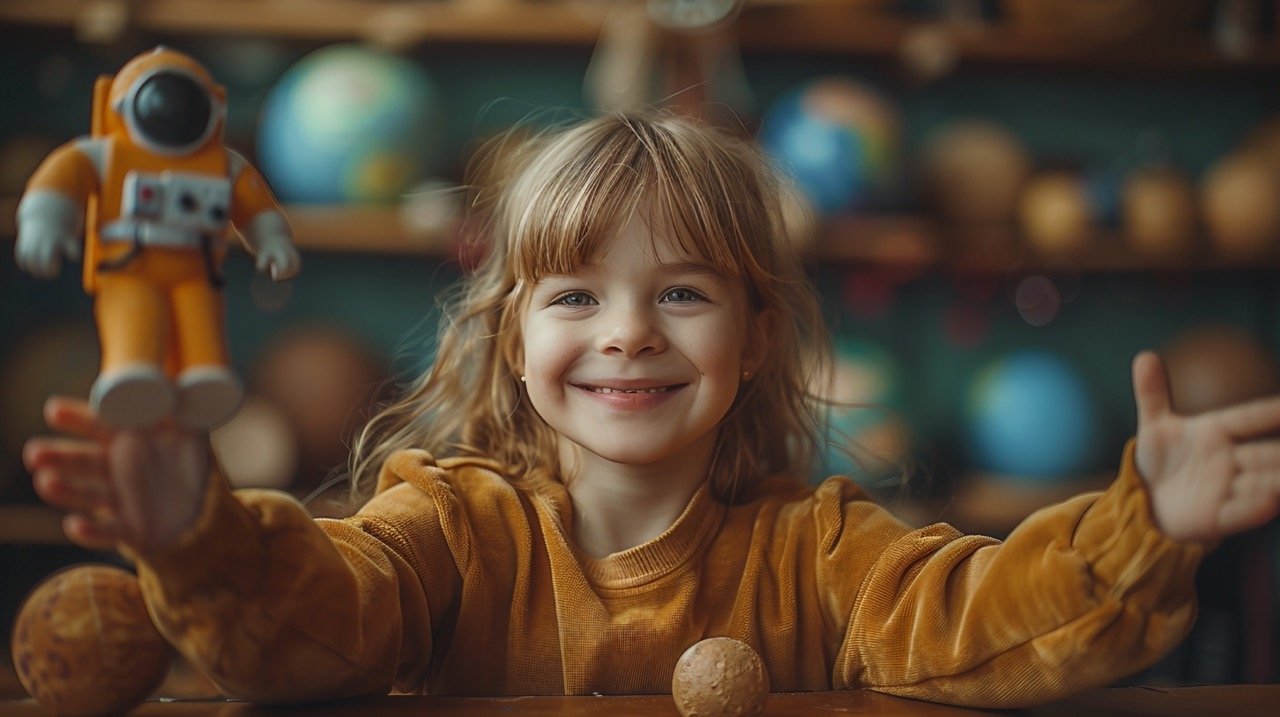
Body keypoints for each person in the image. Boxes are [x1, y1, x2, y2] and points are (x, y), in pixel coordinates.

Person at [23, 112, 1280, 708]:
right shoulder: (448, 530)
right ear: (515, 341)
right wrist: (195, 533)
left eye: (680, 292)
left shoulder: (820, 549)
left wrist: (1140, 529)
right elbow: (308, 630)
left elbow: (977, 624)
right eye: (575, 294)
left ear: (754, 339)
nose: (627, 330)